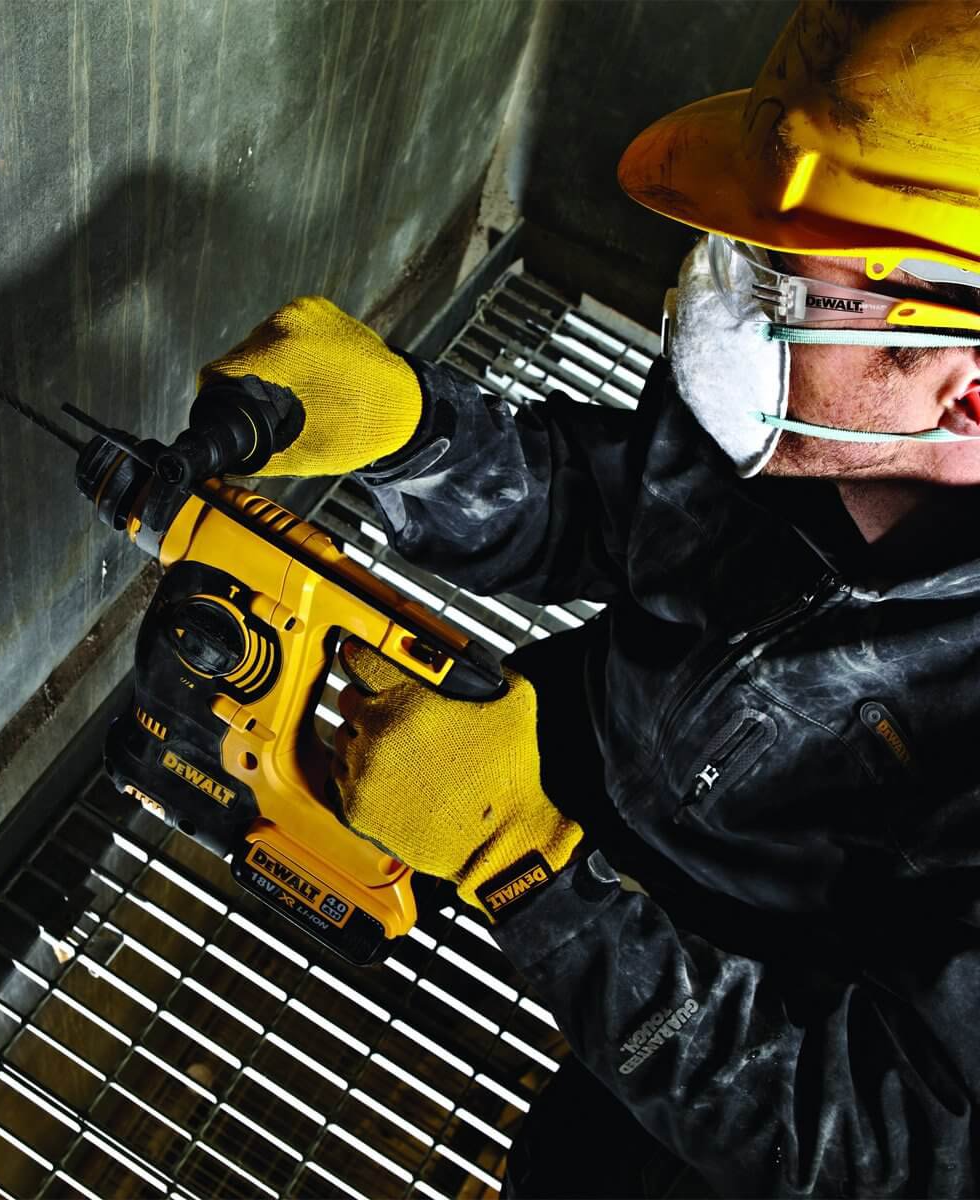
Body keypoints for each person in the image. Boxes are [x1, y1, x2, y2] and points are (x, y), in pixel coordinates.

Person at [199, 2, 980, 1193]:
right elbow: (617, 517)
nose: (721, 306)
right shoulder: (799, 425)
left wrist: (531, 872)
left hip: (770, 994)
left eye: (780, 284)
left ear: (966, 391)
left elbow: (897, 1140)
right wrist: (417, 440)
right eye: (742, 251)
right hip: (611, 744)